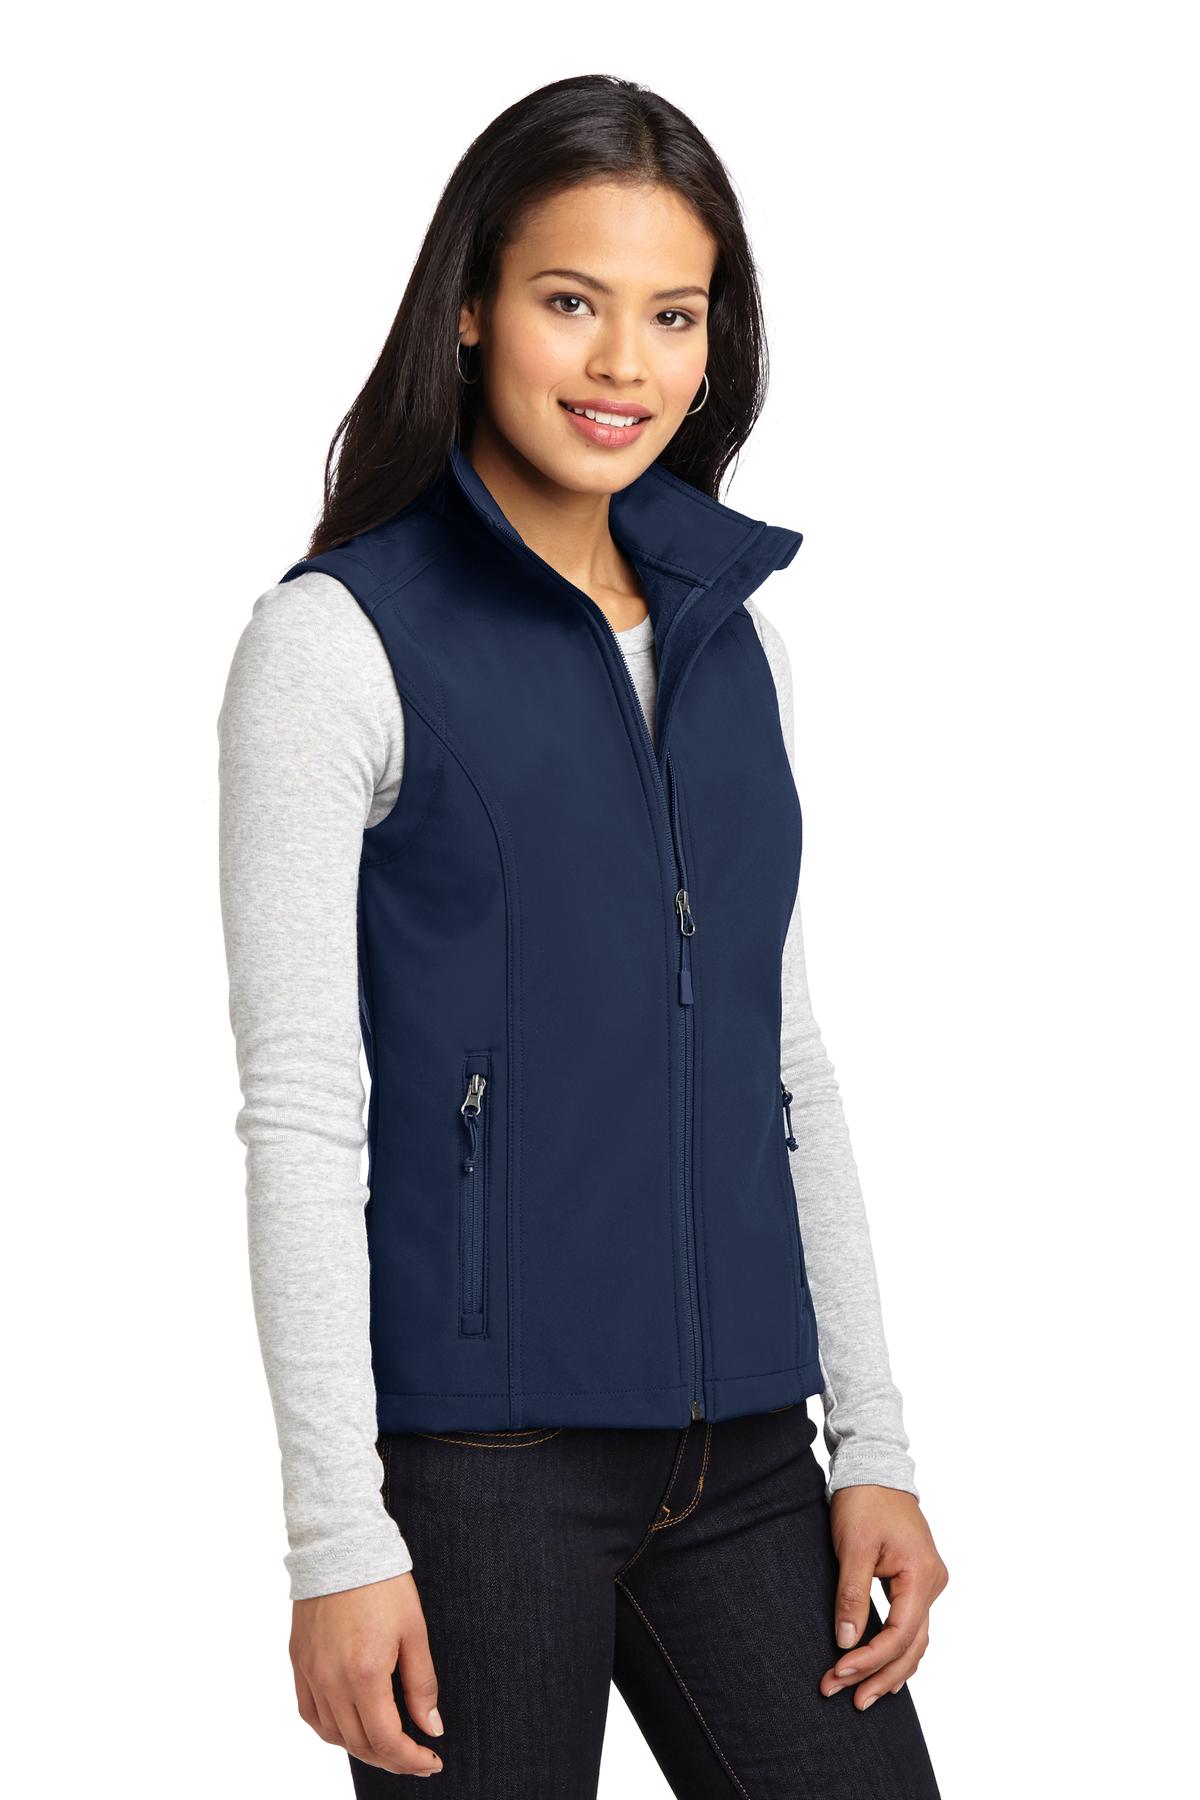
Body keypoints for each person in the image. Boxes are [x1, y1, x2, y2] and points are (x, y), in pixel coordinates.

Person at [218, 73, 948, 1798]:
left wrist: (877, 1443)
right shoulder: (337, 644)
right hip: (482, 1474)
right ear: (471, 306)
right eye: (572, 300)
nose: (624, 362)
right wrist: (337, 1536)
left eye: (672, 314)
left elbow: (785, 1061)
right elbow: (304, 1110)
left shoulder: (733, 648)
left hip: (751, 1456)